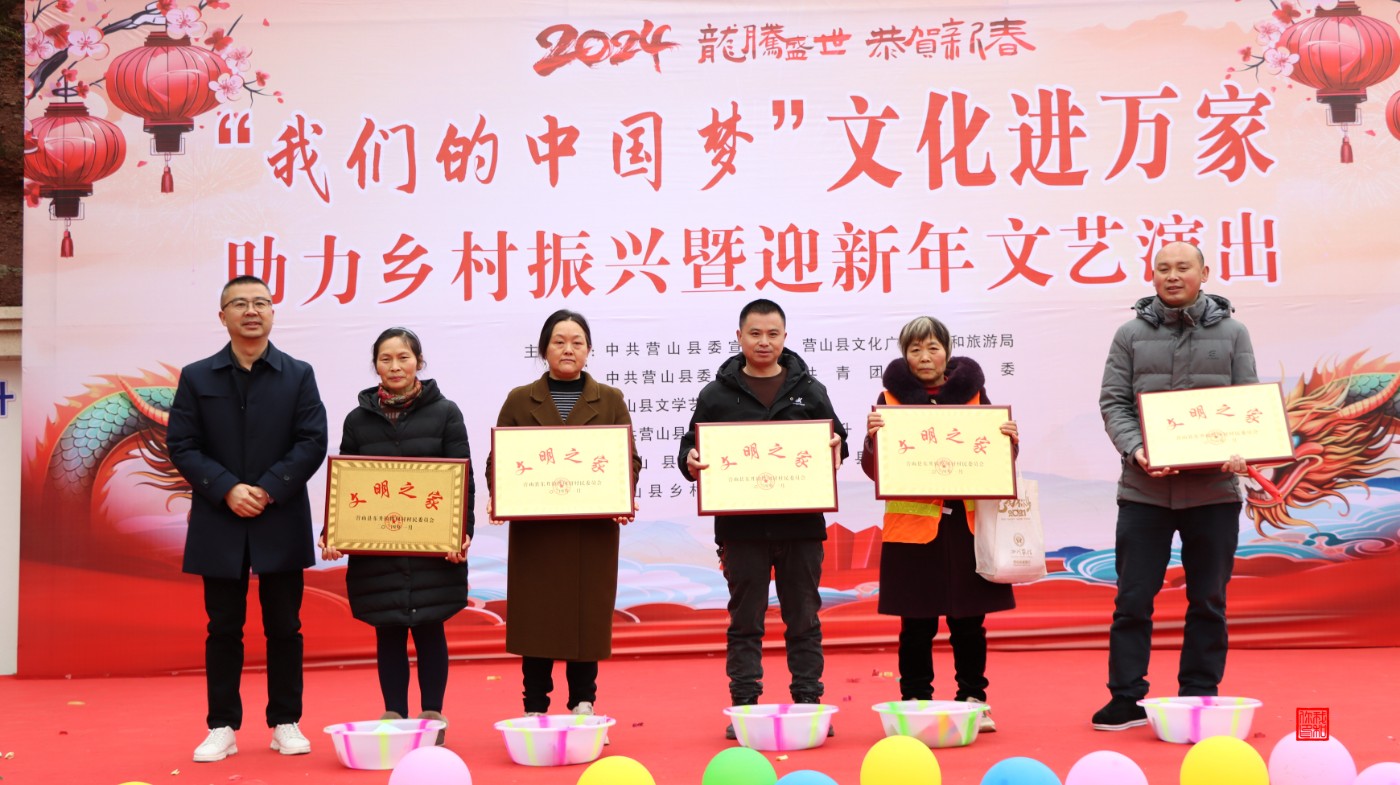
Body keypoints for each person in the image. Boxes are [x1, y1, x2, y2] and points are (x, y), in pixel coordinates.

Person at [1092, 241, 1255, 731]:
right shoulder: (1129, 334)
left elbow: (1248, 405)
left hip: (1214, 492)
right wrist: (1137, 450)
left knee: (1208, 600)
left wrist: (1242, 448)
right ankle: (1126, 698)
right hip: (1144, 492)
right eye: (1163, 268)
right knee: (1132, 600)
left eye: (1183, 267)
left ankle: (1199, 693)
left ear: (1204, 273)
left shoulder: (1234, 333)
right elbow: (1114, 402)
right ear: (1153, 276)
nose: (1172, 275)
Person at [167, 275, 328, 762]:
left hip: (279, 516)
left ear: (273, 312)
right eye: (240, 304)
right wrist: (226, 488)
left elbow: (312, 440)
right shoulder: (198, 377)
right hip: (220, 519)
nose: (251, 311)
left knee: (285, 627)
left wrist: (269, 487)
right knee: (222, 628)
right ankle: (221, 725)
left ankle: (285, 720)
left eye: (261, 302)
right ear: (223, 316)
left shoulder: (298, 374)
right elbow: (182, 444)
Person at [678, 298, 849, 740]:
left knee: (804, 619)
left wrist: (836, 446)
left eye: (773, 334)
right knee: (745, 622)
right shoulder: (715, 395)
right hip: (741, 530)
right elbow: (688, 448)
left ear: (785, 338)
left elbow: (838, 441)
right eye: (755, 333)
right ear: (739, 336)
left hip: (801, 527)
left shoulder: (810, 391)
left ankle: (809, 703)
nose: (764, 342)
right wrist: (690, 460)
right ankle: (744, 707)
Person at [859, 316, 1018, 733]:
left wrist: (1009, 440)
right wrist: (872, 441)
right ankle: (915, 699)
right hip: (913, 531)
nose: (925, 357)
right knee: (916, 623)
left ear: (947, 351)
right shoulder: (888, 401)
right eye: (915, 349)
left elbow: (997, 463)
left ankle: (974, 698)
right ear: (905, 355)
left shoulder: (975, 395)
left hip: (965, 527)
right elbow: (874, 471)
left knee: (969, 621)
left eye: (933, 347)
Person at [319, 327, 474, 745]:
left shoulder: (446, 413)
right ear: (376, 366)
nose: (395, 366)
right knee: (387, 628)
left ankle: (432, 713)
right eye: (386, 359)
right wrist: (333, 531)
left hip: (432, 548)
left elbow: (464, 480)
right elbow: (347, 484)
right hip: (378, 548)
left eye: (403, 357)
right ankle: (393, 713)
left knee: (430, 627)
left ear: (419, 362)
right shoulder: (358, 419)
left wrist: (461, 534)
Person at [486, 310, 641, 720]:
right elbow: (498, 460)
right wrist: (498, 494)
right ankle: (534, 706)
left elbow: (628, 459)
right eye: (559, 341)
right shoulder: (520, 400)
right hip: (537, 533)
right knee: (536, 616)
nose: (568, 349)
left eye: (577, 342)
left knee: (585, 617)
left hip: (591, 532)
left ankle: (583, 701)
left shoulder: (610, 400)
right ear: (544, 349)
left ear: (589, 350)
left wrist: (623, 495)